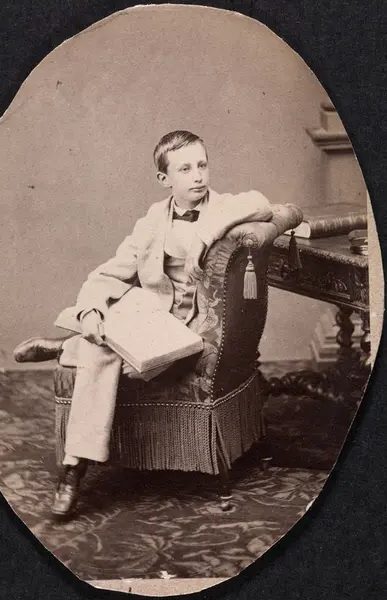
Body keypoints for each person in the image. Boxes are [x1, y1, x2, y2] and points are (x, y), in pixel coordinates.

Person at [15, 130, 302, 518]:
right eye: (185, 169)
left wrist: (204, 237)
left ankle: (67, 355)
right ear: (164, 179)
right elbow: (109, 273)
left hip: (190, 331)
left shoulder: (224, 207)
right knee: (103, 337)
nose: (197, 175)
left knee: (101, 352)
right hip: (149, 320)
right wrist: (90, 310)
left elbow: (261, 202)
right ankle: (74, 467)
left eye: (202, 165)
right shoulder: (152, 220)